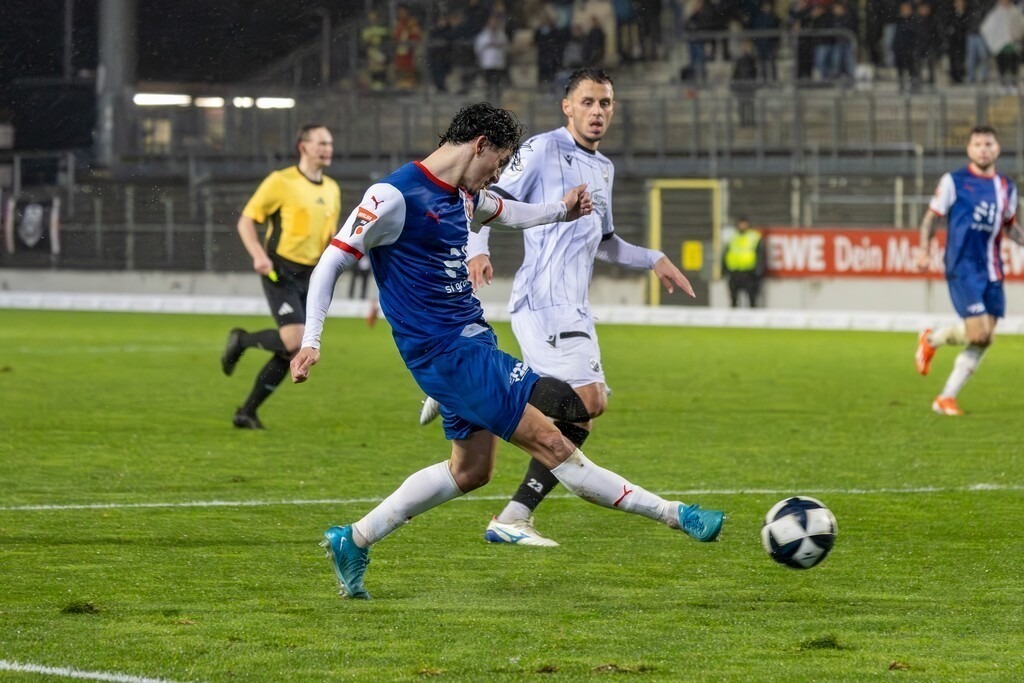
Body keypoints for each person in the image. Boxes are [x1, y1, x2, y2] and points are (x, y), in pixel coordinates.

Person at [290, 103, 725, 599]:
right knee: (561, 437)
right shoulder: (392, 195)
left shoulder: (464, 195)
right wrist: (312, 340)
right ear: (478, 145)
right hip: (452, 357)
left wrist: (561, 209)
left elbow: (511, 212)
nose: (495, 176)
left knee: (471, 472)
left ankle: (354, 538)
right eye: (495, 165)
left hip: (469, 346)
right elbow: (330, 264)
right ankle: (676, 515)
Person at [422, 69, 697, 548]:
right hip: (543, 301)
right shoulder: (543, 149)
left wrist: (654, 258)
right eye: (588, 102)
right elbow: (490, 198)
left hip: (574, 306)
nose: (598, 112)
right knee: (589, 402)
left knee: (580, 416)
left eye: (606, 103)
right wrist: (477, 250)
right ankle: (470, 402)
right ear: (567, 106)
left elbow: (605, 243)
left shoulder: (603, 168)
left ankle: (513, 509)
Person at [221, 124, 341, 429]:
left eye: (329, 143)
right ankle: (242, 340)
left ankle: (246, 412)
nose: (327, 148)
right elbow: (246, 221)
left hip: (311, 275)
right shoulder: (281, 181)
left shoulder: (332, 188)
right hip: (281, 270)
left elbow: (330, 236)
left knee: (291, 349)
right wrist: (258, 256)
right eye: (321, 143)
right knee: (296, 340)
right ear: (303, 146)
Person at [914, 125, 1024, 416]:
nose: (983, 149)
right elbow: (931, 218)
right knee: (978, 332)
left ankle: (945, 394)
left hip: (992, 269)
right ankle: (931, 342)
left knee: (986, 336)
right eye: (977, 144)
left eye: (988, 144)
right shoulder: (954, 180)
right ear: (969, 149)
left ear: (998, 149)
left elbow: (1010, 227)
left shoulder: (1006, 187)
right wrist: (924, 249)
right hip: (962, 266)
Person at [722, 216, 766, 308]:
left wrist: (758, 272)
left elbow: (760, 255)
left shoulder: (754, 237)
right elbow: (726, 254)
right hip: (734, 273)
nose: (742, 226)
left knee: (752, 299)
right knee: (734, 300)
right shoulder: (732, 237)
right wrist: (724, 269)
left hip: (749, 273)